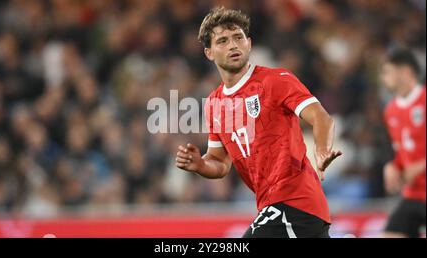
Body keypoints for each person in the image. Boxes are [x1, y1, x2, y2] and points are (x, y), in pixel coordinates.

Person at [175, 7, 341, 238]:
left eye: (238, 38)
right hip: (272, 204)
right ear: (209, 53)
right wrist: (200, 165)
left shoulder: (275, 80)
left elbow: (321, 117)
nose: (233, 45)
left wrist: (322, 150)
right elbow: (219, 163)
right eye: (222, 40)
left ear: (249, 43)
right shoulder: (214, 103)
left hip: (295, 200)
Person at [380, 49, 426, 238]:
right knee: (391, 233)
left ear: (406, 72)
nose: (383, 77)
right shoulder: (391, 111)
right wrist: (392, 167)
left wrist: (422, 165)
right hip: (414, 193)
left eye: (387, 71)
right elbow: (401, 151)